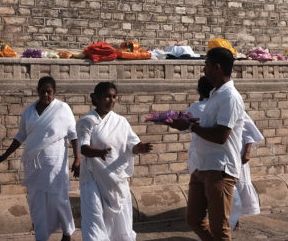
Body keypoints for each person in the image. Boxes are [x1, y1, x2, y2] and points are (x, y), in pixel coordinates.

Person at [168, 47, 245, 241]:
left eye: (207, 65)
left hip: (220, 169)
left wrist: (192, 128)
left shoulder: (230, 97)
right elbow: (205, 126)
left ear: (217, 67)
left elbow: (221, 135)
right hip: (202, 165)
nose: (204, 69)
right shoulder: (215, 95)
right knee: (194, 219)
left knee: (220, 228)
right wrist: (185, 124)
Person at [0, 76, 79, 241]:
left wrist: (77, 158)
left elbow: (73, 135)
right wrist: (5, 155)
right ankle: (41, 235)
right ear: (38, 91)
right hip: (33, 164)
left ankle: (67, 232)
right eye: (43, 91)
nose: (46, 95)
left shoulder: (62, 109)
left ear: (54, 92)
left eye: (49, 92)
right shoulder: (29, 111)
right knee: (36, 200)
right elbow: (20, 136)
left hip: (55, 162)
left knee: (58, 198)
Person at [76, 82, 153, 241]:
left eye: (114, 96)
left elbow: (132, 144)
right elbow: (83, 148)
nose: (111, 100)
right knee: (94, 222)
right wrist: (99, 153)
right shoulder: (87, 121)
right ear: (96, 98)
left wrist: (140, 148)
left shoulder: (121, 121)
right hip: (93, 180)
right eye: (107, 96)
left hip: (116, 181)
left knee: (121, 225)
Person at [229, 110, 264, 230]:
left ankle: (236, 217)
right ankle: (229, 217)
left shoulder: (236, 108)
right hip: (223, 155)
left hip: (238, 155)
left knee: (239, 185)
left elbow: (249, 132)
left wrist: (247, 151)